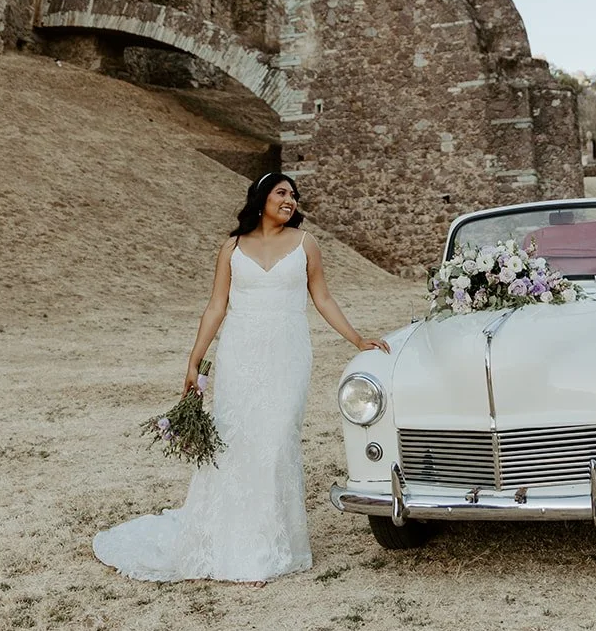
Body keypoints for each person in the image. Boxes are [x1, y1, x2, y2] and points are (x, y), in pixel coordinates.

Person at [93, 171, 389, 585]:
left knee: (276, 441)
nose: (291, 200)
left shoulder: (306, 244)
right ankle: (240, 548)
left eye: (294, 195)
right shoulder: (231, 248)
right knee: (237, 444)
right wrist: (194, 361)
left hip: (287, 356)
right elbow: (216, 306)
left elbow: (322, 297)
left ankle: (269, 547)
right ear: (261, 198)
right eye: (282, 192)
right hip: (239, 356)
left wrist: (357, 339)